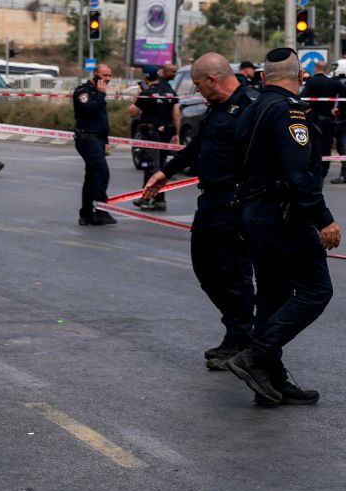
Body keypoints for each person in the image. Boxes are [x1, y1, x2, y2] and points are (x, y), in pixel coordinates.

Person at [223, 47, 341, 406]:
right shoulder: (289, 110)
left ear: (262, 76)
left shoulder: (250, 108)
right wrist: (324, 220)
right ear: (301, 78)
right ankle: (256, 356)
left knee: (273, 295)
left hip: (253, 215)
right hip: (282, 217)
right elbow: (298, 173)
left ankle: (269, 378)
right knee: (316, 292)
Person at [139, 53, 258, 370]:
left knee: (234, 273)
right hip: (210, 201)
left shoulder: (252, 105)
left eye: (197, 85)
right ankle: (237, 328)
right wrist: (166, 171)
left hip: (236, 202)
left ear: (213, 80)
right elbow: (199, 145)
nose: (196, 91)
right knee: (205, 268)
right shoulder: (218, 106)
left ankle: (241, 340)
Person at [130, 65, 181, 210]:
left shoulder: (148, 93)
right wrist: (176, 134)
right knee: (161, 167)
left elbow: (132, 112)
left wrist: (138, 97)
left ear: (145, 77)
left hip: (152, 134)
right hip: (167, 133)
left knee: (152, 166)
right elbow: (176, 115)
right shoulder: (171, 92)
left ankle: (146, 199)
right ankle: (159, 199)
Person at [72, 62, 115, 226]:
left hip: (98, 139)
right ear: (95, 75)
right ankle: (101, 211)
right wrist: (101, 95)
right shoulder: (84, 92)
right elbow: (88, 110)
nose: (107, 79)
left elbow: (101, 120)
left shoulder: (98, 93)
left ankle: (86, 213)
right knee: (102, 172)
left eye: (109, 76)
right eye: (104, 75)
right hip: (87, 139)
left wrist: (106, 142)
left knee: (91, 177)